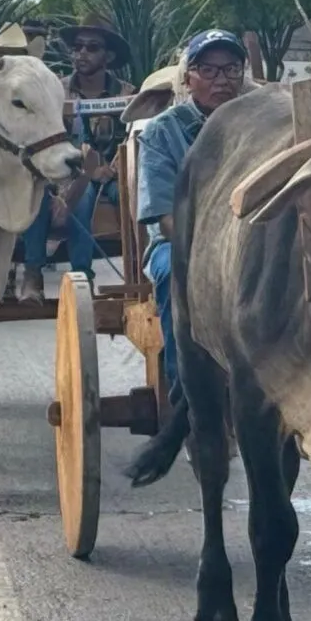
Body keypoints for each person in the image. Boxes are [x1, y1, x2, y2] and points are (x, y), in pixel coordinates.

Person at [122, 28, 250, 487]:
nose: (222, 79)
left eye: (231, 69)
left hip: (252, 246)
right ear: (189, 77)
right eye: (210, 70)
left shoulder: (260, 124)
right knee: (172, 276)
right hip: (182, 247)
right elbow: (164, 220)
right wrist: (215, 255)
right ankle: (188, 396)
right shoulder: (162, 133)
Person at [17, 18, 132, 302]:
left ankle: (95, 276)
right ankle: (33, 273)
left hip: (112, 176)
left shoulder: (127, 94)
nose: (82, 53)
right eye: (77, 47)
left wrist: (113, 165)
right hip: (63, 172)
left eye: (92, 48)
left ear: (109, 56)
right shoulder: (56, 90)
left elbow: (132, 139)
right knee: (39, 192)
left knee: (132, 195)